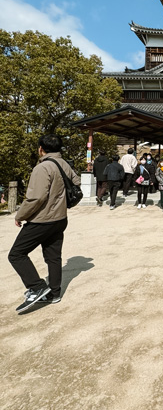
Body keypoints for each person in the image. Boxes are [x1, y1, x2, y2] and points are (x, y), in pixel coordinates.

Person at [8, 134, 81, 313]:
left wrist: (20, 215)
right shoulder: (64, 164)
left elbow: (36, 197)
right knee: (53, 256)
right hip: (60, 218)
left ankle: (37, 286)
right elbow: (77, 183)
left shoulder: (42, 168)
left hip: (42, 220)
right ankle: (54, 293)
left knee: (16, 254)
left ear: (41, 148)